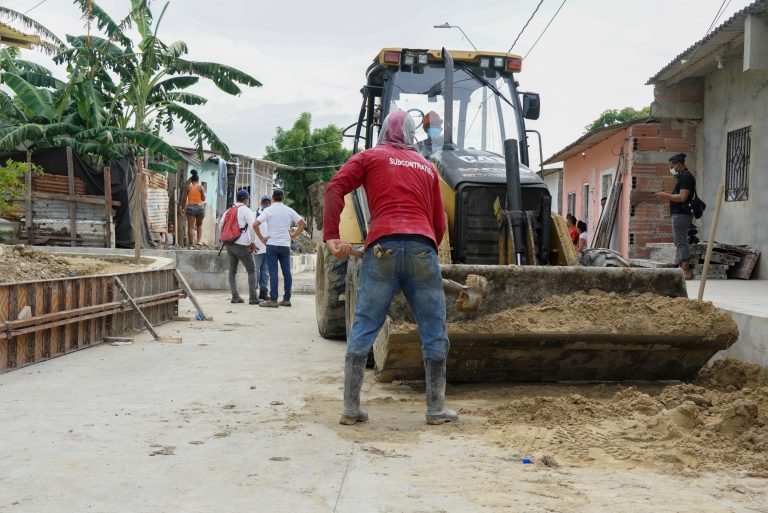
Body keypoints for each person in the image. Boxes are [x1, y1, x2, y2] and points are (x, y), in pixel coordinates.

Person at [323, 110, 457, 427]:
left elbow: (334, 187)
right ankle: (436, 409)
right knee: (434, 330)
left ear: (383, 132)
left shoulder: (370, 157)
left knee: (365, 326)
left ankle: (350, 408)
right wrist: (425, 254)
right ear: (412, 135)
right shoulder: (427, 167)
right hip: (422, 249)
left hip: (381, 248)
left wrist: (331, 236)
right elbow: (439, 224)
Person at [254, 189, 306, 307]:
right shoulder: (289, 210)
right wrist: (294, 235)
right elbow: (303, 223)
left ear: (273, 198)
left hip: (272, 244)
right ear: (283, 198)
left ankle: (273, 300)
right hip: (285, 245)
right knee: (287, 272)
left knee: (273, 272)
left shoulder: (269, 210)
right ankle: (287, 299)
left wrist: (262, 238)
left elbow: (255, 224)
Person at [655, 153, 695, 280]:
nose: (671, 169)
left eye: (672, 166)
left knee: (681, 241)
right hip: (680, 214)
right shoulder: (683, 177)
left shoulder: (686, 177)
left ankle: (686, 270)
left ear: (678, 165)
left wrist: (665, 195)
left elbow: (682, 197)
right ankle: (680, 267)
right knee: (678, 241)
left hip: (681, 214)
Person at [220, 189, 259, 304]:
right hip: (242, 244)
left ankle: (235, 296)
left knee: (232, 271)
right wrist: (252, 242)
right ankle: (253, 297)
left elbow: (221, 224)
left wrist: (227, 237)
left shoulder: (229, 210)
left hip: (229, 243)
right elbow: (252, 227)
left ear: (237, 198)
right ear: (246, 199)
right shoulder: (247, 211)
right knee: (251, 270)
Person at [180, 169, 206, 248]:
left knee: (190, 227)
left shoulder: (188, 187)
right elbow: (203, 199)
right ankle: (199, 241)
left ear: (191, 180)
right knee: (199, 225)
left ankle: (191, 244)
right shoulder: (200, 187)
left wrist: (182, 208)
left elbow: (184, 199)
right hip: (200, 208)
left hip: (190, 207)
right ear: (197, 180)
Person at [253, 195, 272, 301]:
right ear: (261, 203)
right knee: (256, 271)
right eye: (265, 202)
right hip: (257, 247)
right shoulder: (255, 214)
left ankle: (264, 292)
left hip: (269, 248)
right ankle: (254, 292)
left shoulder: (273, 215)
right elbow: (250, 230)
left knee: (265, 271)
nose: (267, 204)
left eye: (269, 202)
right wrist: (252, 244)